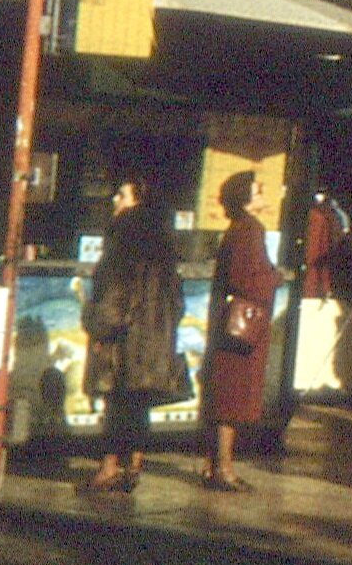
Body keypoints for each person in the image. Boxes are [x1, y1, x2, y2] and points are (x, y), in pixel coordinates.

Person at [78, 177, 186, 496]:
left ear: (137, 200)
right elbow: (177, 300)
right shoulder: (163, 240)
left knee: (116, 403)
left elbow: (115, 294)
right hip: (154, 340)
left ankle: (108, 468)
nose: (115, 199)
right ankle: (134, 465)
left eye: (122, 194)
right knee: (140, 405)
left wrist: (96, 324)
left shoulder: (124, 235)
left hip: (124, 341)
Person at [201, 170, 280, 492]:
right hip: (241, 332)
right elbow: (246, 278)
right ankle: (224, 468)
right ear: (246, 199)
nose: (263, 197)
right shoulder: (251, 230)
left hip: (226, 324)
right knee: (231, 402)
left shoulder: (237, 229)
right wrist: (274, 277)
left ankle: (213, 466)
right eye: (258, 192)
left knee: (222, 397)